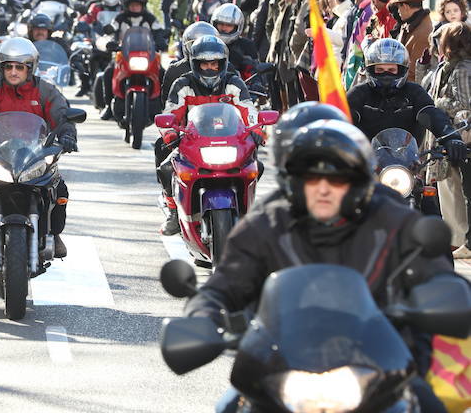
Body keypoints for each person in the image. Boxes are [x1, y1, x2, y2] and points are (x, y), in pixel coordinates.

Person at [183, 120, 457, 413]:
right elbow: (223, 284)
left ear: (357, 182)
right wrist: (202, 316)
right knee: (230, 407)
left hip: (378, 362)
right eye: (312, 178)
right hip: (283, 364)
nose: (324, 189)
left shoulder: (394, 221)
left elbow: (435, 275)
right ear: (294, 182)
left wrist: (444, 294)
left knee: (429, 405)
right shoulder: (265, 224)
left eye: (337, 178)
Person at [0, 37, 77, 258]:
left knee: (59, 189)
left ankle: (55, 233)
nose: (13, 72)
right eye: (8, 67)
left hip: (35, 154)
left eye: (19, 67)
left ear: (30, 68)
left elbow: (61, 113)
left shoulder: (46, 91)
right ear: (1, 68)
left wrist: (67, 133)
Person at [157, 36, 258, 235]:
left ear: (222, 63)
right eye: (204, 63)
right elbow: (170, 114)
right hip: (193, 145)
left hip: (232, 144)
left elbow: (249, 111)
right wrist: (169, 133)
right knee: (166, 168)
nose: (210, 68)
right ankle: (173, 212)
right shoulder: (182, 84)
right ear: (195, 63)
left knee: (256, 167)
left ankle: (249, 214)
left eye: (214, 63)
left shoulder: (234, 83)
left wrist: (256, 130)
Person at [347, 38, 466, 166]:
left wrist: (451, 137)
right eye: (380, 70)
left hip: (407, 164)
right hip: (365, 164)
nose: (386, 75)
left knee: (422, 187)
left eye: (391, 70)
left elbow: (431, 114)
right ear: (370, 70)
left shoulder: (414, 91)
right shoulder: (359, 93)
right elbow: (343, 119)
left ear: (402, 69)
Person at [424, 22, 471, 257]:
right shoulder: (446, 66)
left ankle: (460, 240)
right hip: (445, 134)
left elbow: (465, 104)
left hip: (458, 137)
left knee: (455, 189)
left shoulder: (462, 68)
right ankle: (455, 239)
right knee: (446, 187)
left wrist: (438, 103)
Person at [99, 0, 166, 120]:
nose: (135, 7)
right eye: (132, 5)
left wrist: (161, 41)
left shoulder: (150, 18)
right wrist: (111, 41)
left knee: (163, 73)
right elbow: (113, 31)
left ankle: (164, 105)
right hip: (123, 55)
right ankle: (108, 105)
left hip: (147, 56)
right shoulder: (120, 18)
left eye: (138, 5)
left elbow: (158, 33)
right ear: (126, 5)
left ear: (143, 5)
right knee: (108, 72)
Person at [210, 3, 259, 77]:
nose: (224, 28)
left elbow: (255, 76)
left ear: (237, 27)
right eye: (220, 24)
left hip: (239, 86)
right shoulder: (208, 43)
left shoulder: (247, 46)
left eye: (229, 25)